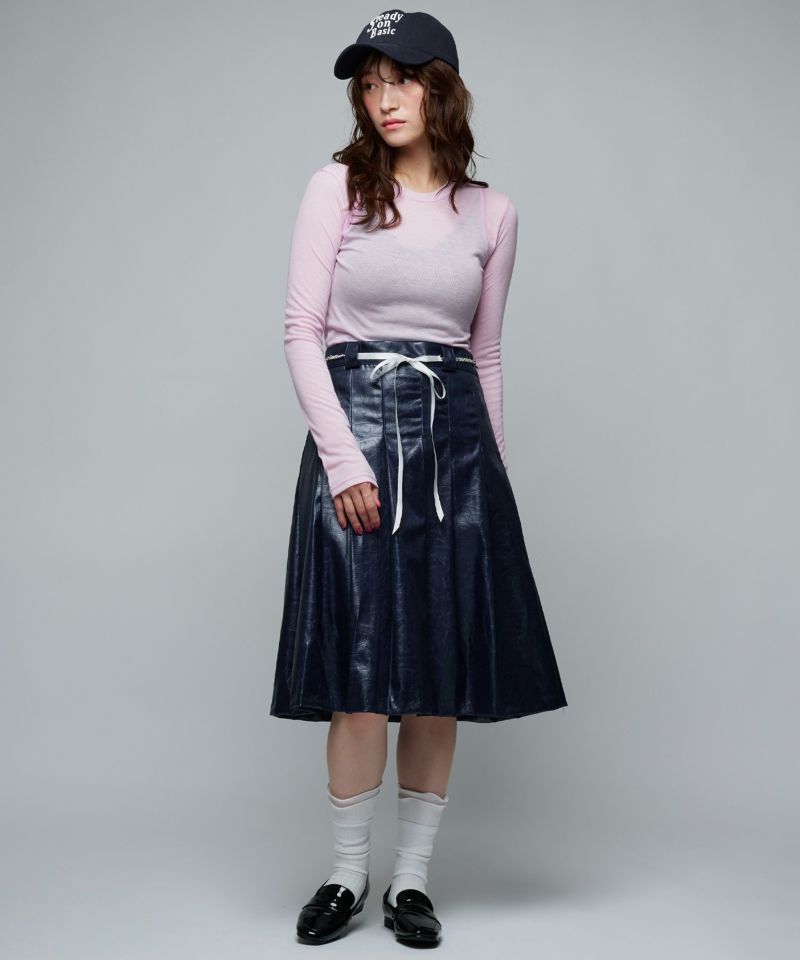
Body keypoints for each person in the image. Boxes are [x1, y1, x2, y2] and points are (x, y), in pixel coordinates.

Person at [270, 8, 568, 948]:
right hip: (355, 433)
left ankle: (409, 884)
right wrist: (342, 460)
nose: (383, 98)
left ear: (442, 86)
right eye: (369, 84)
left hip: (455, 449)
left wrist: (492, 485)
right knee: (359, 677)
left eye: (399, 78)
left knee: (436, 675)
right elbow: (301, 333)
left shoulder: (493, 213)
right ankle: (346, 875)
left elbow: (486, 354)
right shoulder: (335, 189)